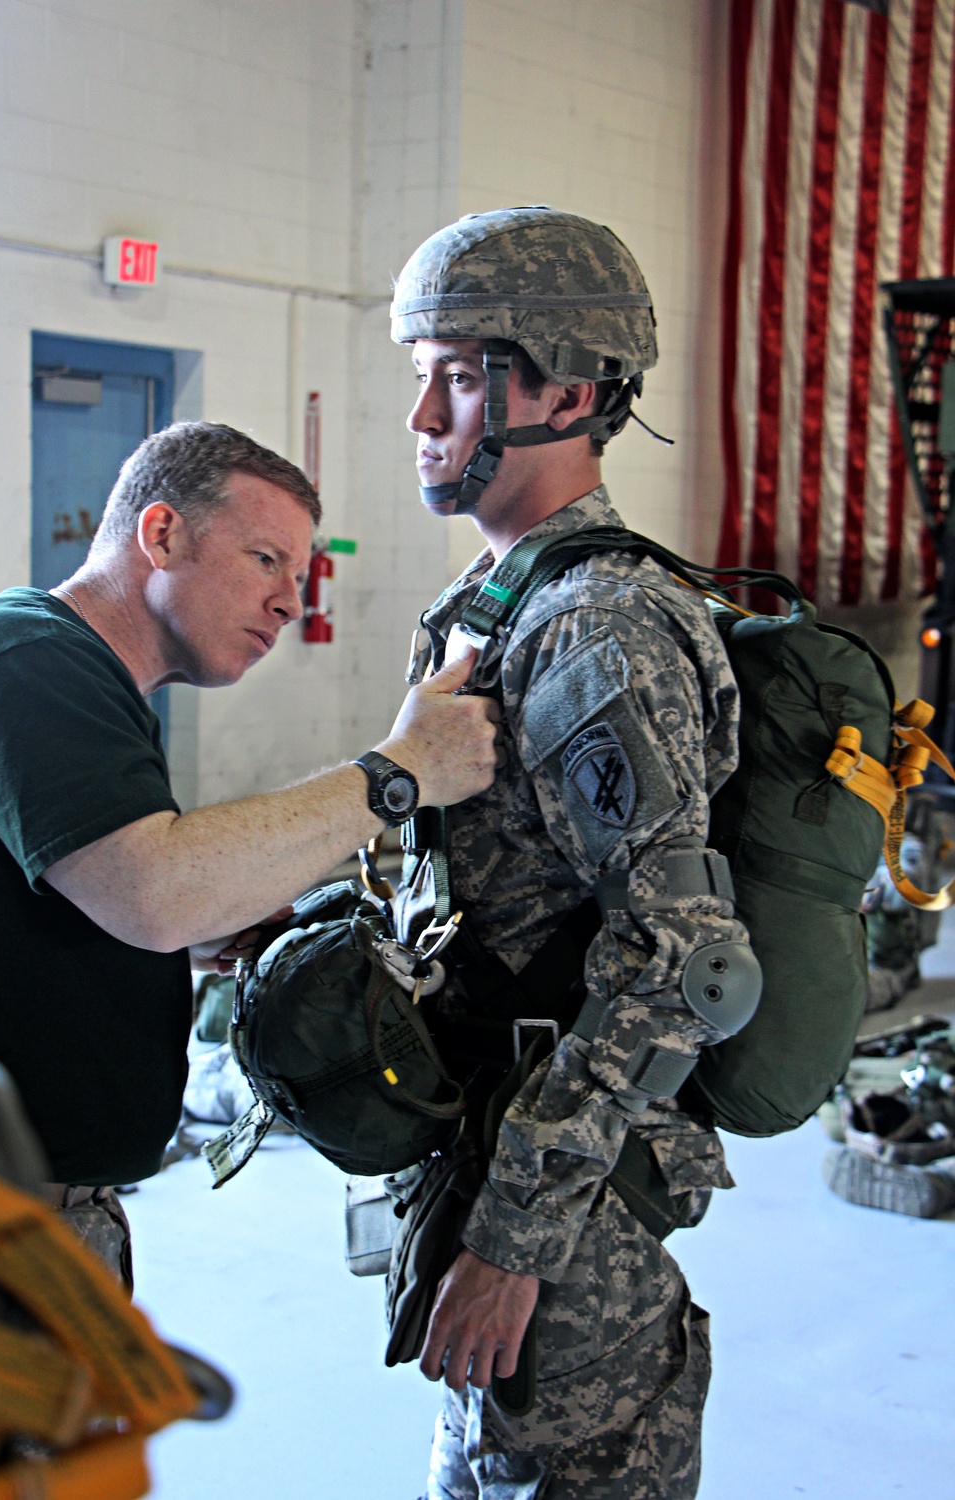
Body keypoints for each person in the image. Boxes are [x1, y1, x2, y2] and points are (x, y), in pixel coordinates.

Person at [389, 208, 758, 1498]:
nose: (423, 412)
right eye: (418, 373)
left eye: (461, 374)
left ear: (572, 389)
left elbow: (684, 961)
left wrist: (518, 1237)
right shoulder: (510, 604)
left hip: (572, 1227)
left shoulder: (596, 632)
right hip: (502, 1152)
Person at [0, 421, 498, 1285]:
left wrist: (182, 940)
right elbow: (152, 888)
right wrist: (400, 774)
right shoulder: (28, 658)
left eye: (302, 574)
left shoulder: (79, 679)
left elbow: (79, 898)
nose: (290, 600)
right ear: (161, 533)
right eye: (265, 560)